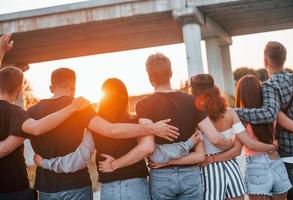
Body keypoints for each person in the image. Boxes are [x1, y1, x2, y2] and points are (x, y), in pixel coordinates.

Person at [28, 67, 179, 200]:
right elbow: (142, 146)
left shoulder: (32, 112)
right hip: (128, 185)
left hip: (61, 187)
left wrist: (46, 163)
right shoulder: (135, 121)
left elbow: (81, 156)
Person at [98, 53, 232, 200]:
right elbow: (215, 138)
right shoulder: (191, 101)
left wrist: (115, 164)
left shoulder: (144, 105)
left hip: (162, 177)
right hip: (190, 175)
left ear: (150, 78)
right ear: (171, 73)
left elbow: (147, 147)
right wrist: (231, 144)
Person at [156, 74, 278, 200]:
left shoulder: (194, 119)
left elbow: (199, 155)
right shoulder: (230, 113)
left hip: (209, 173)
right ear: (215, 89)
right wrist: (272, 147)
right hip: (231, 170)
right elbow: (240, 148)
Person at [0, 34, 90, 200]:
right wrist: (72, 107)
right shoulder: (17, 114)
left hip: (44, 187)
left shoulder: (29, 111)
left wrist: (1, 52)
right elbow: (37, 127)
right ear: (20, 90)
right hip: (17, 189)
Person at [236, 41, 293, 199]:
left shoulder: (269, 86)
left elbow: (269, 113)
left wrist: (234, 111)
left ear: (265, 62)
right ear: (284, 59)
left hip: (289, 154)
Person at [236, 75, 292, 200]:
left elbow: (238, 148)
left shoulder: (241, 119)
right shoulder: (273, 113)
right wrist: (273, 146)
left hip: (256, 169)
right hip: (277, 163)